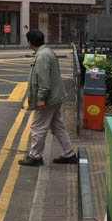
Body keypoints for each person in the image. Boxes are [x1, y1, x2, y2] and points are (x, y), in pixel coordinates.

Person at [19, 29, 77, 166]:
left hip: (48, 99)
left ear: (30, 42)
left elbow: (44, 81)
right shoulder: (47, 52)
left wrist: (41, 98)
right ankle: (69, 154)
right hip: (56, 97)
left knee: (38, 127)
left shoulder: (42, 56)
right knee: (57, 126)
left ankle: (35, 157)